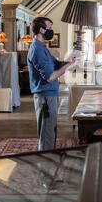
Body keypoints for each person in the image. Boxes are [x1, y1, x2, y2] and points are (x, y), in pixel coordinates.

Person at [27, 17, 74, 150]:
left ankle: (48, 155)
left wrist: (68, 62)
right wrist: (68, 67)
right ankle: (46, 160)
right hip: (45, 95)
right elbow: (50, 76)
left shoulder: (42, 47)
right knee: (47, 131)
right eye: (50, 28)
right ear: (42, 29)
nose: (52, 31)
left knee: (50, 129)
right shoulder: (37, 49)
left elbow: (56, 64)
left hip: (49, 94)